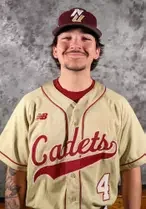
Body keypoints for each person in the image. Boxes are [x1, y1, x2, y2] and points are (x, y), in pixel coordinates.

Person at [0, 7, 146, 209]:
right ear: (55, 50)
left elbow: (130, 169)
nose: (76, 44)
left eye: (86, 38)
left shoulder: (118, 106)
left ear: (97, 51)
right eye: (66, 38)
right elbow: (16, 173)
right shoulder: (30, 104)